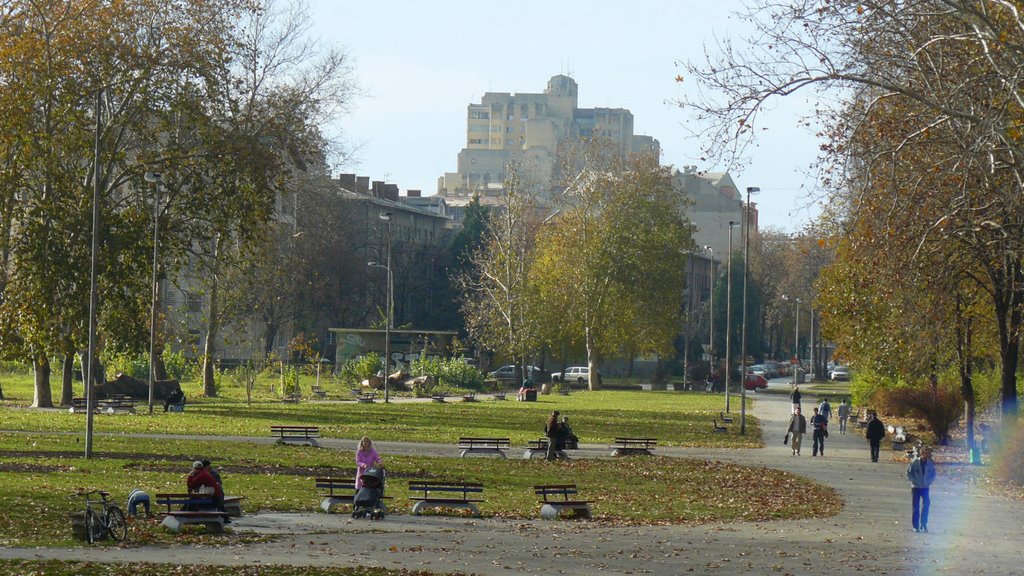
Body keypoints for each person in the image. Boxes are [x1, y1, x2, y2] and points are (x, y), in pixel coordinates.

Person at [906, 446, 937, 532]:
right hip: (916, 487)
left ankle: (923, 524)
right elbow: (908, 473)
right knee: (916, 507)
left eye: (928, 454)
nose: (926, 455)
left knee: (926, 504)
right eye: (925, 453)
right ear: (922, 453)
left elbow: (933, 473)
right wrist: (914, 481)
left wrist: (929, 481)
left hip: (925, 487)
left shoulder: (930, 463)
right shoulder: (915, 462)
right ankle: (915, 526)